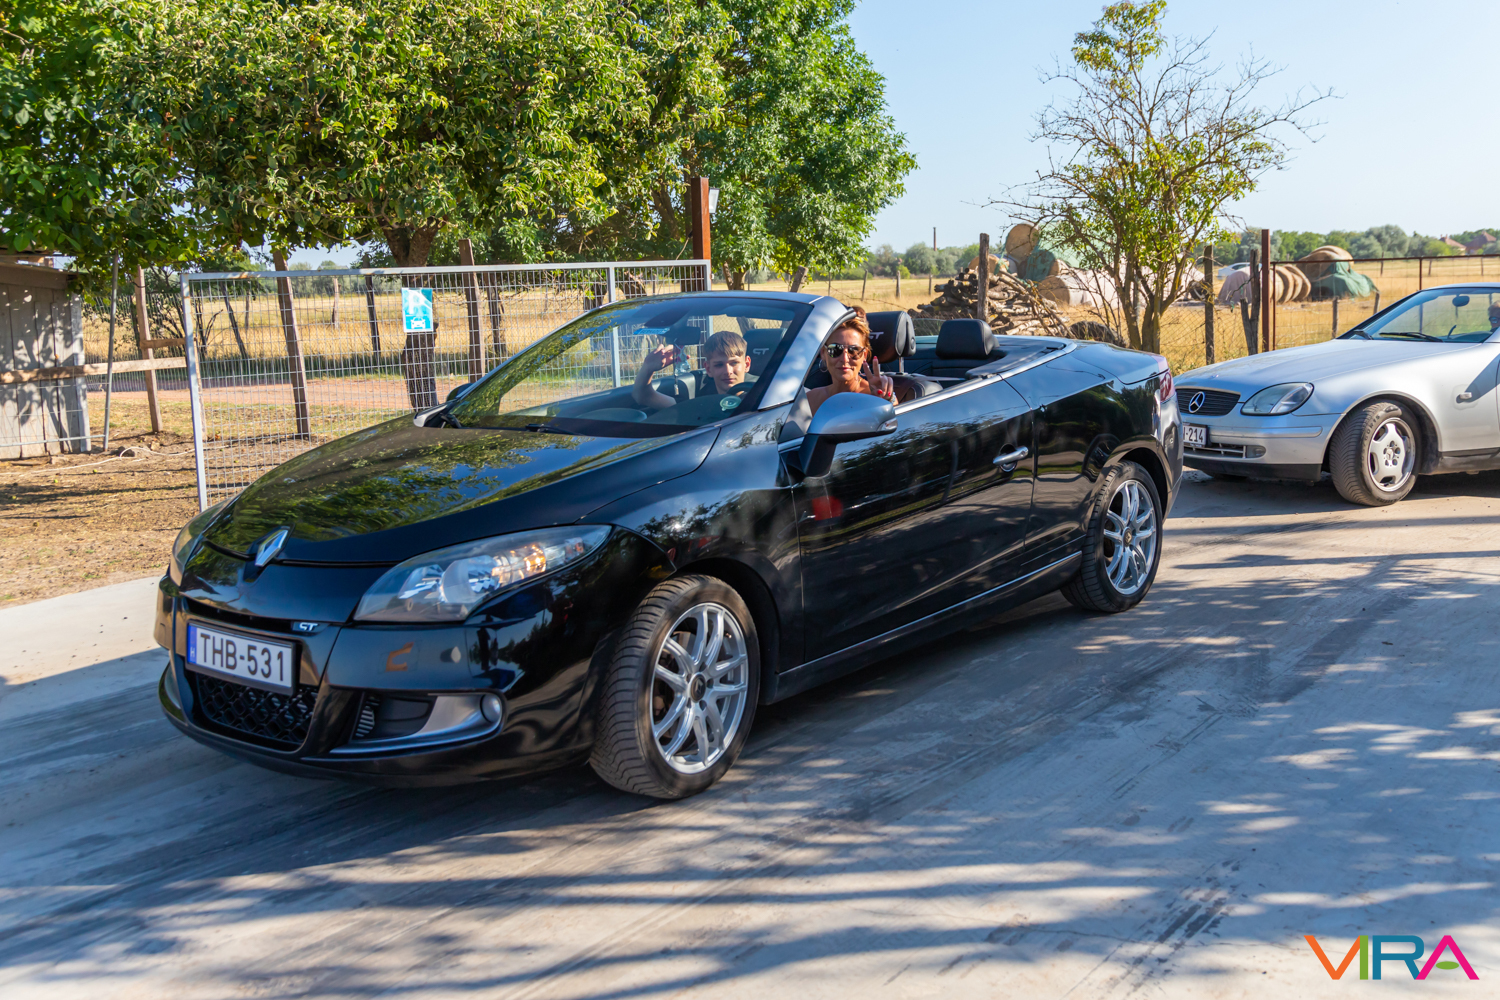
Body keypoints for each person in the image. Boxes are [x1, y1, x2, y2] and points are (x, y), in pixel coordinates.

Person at [632, 330, 750, 411]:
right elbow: (643, 396)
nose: (728, 371)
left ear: (747, 364)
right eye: (719, 365)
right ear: (708, 369)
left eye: (734, 363)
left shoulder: (758, 401)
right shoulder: (702, 404)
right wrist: (648, 368)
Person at [805, 313, 895, 416]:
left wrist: (886, 400)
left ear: (864, 355)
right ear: (823, 353)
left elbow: (896, 417)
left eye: (854, 350)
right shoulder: (811, 399)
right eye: (835, 349)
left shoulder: (874, 395)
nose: (844, 359)